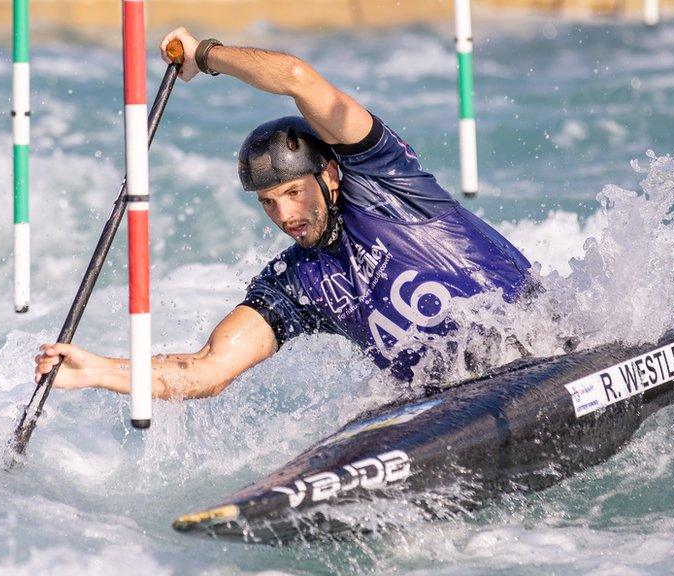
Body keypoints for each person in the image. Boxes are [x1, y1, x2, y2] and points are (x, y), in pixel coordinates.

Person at [34, 28, 532, 399]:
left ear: (330, 176)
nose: (284, 213)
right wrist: (98, 371)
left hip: (540, 347)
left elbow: (298, 78)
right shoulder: (296, 284)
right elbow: (208, 370)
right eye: (268, 202)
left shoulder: (386, 178)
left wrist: (204, 55)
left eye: (294, 192)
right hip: (452, 401)